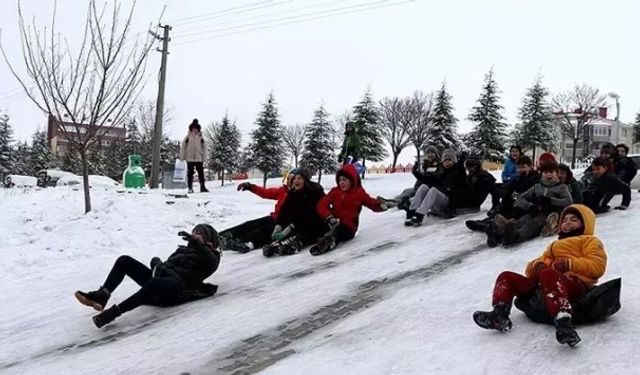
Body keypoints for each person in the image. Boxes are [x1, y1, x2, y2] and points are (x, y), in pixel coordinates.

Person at [473, 204, 607, 347]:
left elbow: (597, 266)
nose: (567, 222)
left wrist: (569, 264)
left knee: (548, 273)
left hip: (574, 284)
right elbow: (534, 267)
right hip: (546, 284)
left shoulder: (589, 241)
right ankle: (499, 314)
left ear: (586, 223)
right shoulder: (554, 245)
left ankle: (564, 322)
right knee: (507, 276)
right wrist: (536, 266)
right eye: (565, 220)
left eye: (574, 220)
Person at [75, 224, 221, 328]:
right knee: (124, 260)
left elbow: (207, 257)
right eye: (193, 232)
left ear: (208, 240)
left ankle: (112, 313)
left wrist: (198, 244)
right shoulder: (183, 251)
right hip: (161, 284)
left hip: (176, 292)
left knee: (154, 283)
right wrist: (157, 264)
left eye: (198, 233)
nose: (193, 235)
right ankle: (102, 295)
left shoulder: (211, 259)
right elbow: (167, 268)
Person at [486, 160, 572, 247]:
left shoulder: (561, 187)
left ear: (556, 173)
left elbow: (568, 201)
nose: (549, 174)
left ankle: (517, 236)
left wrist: (550, 200)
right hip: (536, 211)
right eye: (546, 172)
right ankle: (506, 229)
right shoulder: (537, 187)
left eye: (551, 172)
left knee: (532, 224)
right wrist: (530, 206)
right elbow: (520, 198)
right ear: (542, 173)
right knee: (523, 220)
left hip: (549, 214)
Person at [311, 164, 390, 255]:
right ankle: (309, 238)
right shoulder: (335, 192)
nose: (341, 182)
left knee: (338, 232)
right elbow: (322, 204)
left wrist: (380, 206)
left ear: (351, 180)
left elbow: (371, 203)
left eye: (344, 180)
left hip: (348, 226)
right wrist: (329, 217)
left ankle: (328, 242)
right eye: (340, 180)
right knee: (317, 223)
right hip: (333, 221)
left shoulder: (358, 193)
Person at [218, 171, 294, 253]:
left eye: (293, 179)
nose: (290, 182)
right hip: (275, 217)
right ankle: (222, 236)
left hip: (285, 222)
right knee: (251, 224)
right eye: (289, 179)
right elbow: (266, 193)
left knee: (263, 230)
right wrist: (250, 187)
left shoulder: (301, 195)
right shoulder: (283, 191)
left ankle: (243, 242)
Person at [465, 156, 539, 232]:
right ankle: (490, 220)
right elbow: (506, 186)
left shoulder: (534, 178)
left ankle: (496, 223)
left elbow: (528, 195)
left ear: (530, 167)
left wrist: (512, 194)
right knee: (508, 195)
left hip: (528, 205)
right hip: (517, 200)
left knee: (511, 196)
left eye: (523, 167)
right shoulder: (518, 177)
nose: (519, 170)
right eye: (518, 168)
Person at [263, 170, 326, 257]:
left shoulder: (313, 192)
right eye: (294, 179)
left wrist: (291, 226)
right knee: (282, 230)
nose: (296, 181)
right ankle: (274, 245)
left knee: (302, 233)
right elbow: (284, 211)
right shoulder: (293, 194)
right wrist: (279, 225)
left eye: (299, 179)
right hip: (298, 223)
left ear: (305, 180)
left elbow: (308, 214)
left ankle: (290, 246)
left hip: (316, 223)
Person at [405, 149, 466, 226]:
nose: (447, 162)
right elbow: (429, 179)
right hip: (437, 202)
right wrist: (416, 173)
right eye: (445, 160)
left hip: (448, 203)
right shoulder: (441, 172)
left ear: (454, 161)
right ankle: (411, 212)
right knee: (424, 186)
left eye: (449, 160)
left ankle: (419, 215)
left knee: (434, 190)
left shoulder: (458, 172)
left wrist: (462, 160)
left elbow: (462, 171)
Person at [395, 146, 443, 211]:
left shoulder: (439, 165)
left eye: (432, 153)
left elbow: (430, 179)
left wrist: (417, 174)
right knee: (407, 190)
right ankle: (394, 201)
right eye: (428, 153)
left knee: (410, 195)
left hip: (427, 189)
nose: (430, 155)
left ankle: (399, 202)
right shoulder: (425, 165)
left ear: (436, 154)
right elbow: (421, 178)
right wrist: (416, 173)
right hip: (420, 186)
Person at [180, 119, 209, 193]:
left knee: (201, 173)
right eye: (193, 128)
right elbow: (183, 147)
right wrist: (182, 157)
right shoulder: (187, 137)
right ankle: (190, 188)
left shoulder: (201, 137)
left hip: (199, 158)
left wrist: (204, 158)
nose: (195, 130)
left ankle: (202, 187)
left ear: (198, 129)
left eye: (196, 128)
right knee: (190, 174)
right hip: (189, 158)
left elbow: (205, 148)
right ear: (191, 129)